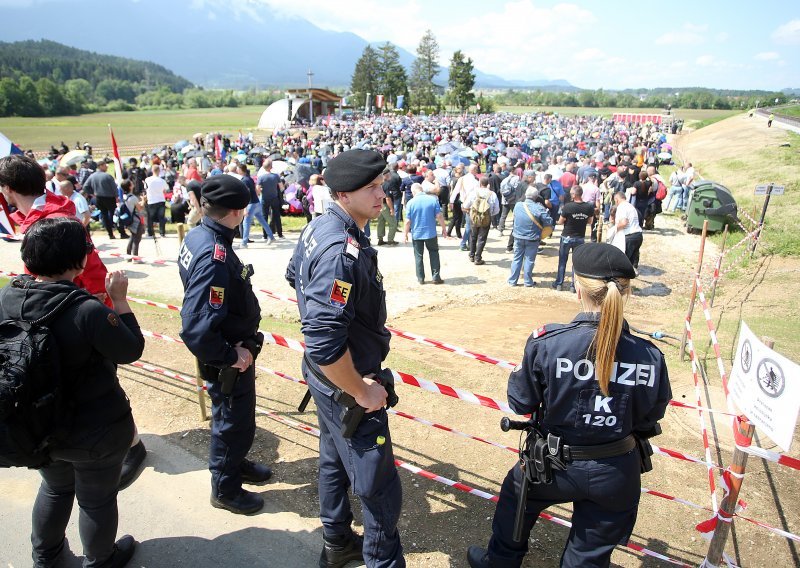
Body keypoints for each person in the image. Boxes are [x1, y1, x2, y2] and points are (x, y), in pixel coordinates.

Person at [467, 243, 672, 568]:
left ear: (579, 287)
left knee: (515, 496)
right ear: (626, 291)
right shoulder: (649, 355)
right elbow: (651, 417)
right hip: (617, 471)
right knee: (587, 559)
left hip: (552, 467)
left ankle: (501, 562)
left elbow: (521, 401)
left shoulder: (548, 342)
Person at [0, 217, 145, 568]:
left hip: (37, 423)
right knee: (96, 500)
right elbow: (129, 350)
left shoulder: (9, 296)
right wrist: (119, 302)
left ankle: (46, 557)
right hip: (94, 430)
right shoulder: (86, 310)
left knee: (55, 488)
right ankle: (100, 560)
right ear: (78, 260)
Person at [285, 149, 405, 568]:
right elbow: (322, 338)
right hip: (346, 383)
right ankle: (381, 561)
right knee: (378, 487)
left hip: (328, 378)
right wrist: (362, 389)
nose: (381, 193)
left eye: (381, 184)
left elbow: (293, 277)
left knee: (334, 460)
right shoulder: (340, 248)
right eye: (370, 187)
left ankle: (337, 543)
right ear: (343, 193)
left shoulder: (324, 226)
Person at [0, 154, 147, 487]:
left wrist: (96, 307)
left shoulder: (51, 218)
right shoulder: (50, 209)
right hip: (65, 310)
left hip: (69, 315)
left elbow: (88, 266)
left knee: (93, 385)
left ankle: (131, 445)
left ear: (8, 189)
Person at [178, 174, 273, 515]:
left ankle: (235, 464)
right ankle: (225, 488)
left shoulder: (201, 235)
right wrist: (231, 355)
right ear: (236, 211)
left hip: (231, 348)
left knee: (234, 417)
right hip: (227, 357)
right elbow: (197, 328)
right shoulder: (213, 255)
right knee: (232, 421)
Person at [507, 187, 552, 287]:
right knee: (529, 260)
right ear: (536, 197)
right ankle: (527, 281)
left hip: (518, 236)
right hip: (532, 238)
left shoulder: (518, 205)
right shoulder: (539, 208)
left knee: (516, 258)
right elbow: (548, 222)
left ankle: (512, 281)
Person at [553, 186, 595, 292]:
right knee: (576, 263)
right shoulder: (588, 207)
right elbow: (590, 221)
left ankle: (559, 283)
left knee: (562, 261)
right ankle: (573, 285)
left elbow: (561, 221)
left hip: (567, 236)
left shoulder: (568, 207)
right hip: (580, 237)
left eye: (571, 193)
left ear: (574, 195)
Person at [404, 182, 446, 285]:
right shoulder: (432, 200)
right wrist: (444, 228)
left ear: (414, 192)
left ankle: (420, 278)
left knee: (418, 256)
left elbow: (407, 221)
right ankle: (436, 276)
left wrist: (405, 234)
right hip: (431, 233)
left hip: (417, 234)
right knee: (434, 253)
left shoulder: (410, 203)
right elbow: (439, 216)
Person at [462, 176, 500, 265]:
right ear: (488, 185)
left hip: (474, 218)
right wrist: (490, 214)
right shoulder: (492, 194)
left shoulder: (474, 192)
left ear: (480, 183)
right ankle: (478, 258)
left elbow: (466, 205)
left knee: (473, 236)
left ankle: (471, 255)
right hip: (486, 218)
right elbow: (497, 209)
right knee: (482, 238)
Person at [82, 159, 121, 239]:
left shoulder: (92, 176)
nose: (106, 167)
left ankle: (110, 233)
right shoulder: (108, 176)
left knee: (104, 215)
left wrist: (92, 193)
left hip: (98, 198)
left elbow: (85, 186)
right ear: (100, 166)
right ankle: (114, 228)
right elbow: (114, 188)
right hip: (109, 198)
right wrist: (117, 196)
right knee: (111, 214)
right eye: (104, 165)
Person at [239, 163, 274, 248]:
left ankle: (244, 242)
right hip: (256, 202)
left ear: (241, 170)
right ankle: (271, 236)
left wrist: (244, 208)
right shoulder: (249, 178)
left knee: (246, 223)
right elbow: (254, 190)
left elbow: (246, 194)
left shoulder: (244, 180)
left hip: (250, 203)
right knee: (262, 221)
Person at [613, 191, 643, 270]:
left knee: (624, 260)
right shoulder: (631, 206)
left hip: (629, 236)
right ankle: (633, 270)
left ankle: (623, 276)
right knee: (633, 258)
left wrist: (614, 229)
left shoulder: (621, 207)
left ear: (616, 199)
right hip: (638, 235)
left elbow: (623, 223)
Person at [257, 159, 284, 238]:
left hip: (265, 198)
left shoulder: (261, 177)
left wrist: (261, 190)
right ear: (271, 167)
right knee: (277, 216)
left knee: (264, 216)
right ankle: (280, 234)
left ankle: (265, 235)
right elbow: (281, 187)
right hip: (274, 197)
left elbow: (258, 189)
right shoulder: (276, 176)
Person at [120, 179, 145, 262]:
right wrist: (144, 201)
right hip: (135, 221)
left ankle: (128, 256)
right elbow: (140, 208)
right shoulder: (133, 197)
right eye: (131, 183)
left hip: (128, 220)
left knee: (132, 237)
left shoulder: (124, 196)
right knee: (136, 240)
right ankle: (135, 258)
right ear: (130, 186)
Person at [144, 164, 168, 238]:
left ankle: (150, 232)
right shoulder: (162, 180)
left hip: (151, 200)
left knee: (150, 218)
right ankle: (162, 232)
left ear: (152, 170)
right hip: (161, 200)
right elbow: (165, 190)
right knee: (161, 217)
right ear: (159, 171)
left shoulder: (147, 180)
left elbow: (145, 188)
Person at [377, 170, 398, 245]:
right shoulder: (387, 184)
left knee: (381, 223)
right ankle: (390, 240)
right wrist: (392, 209)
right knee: (393, 223)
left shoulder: (380, 184)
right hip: (385, 205)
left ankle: (380, 239)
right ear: (387, 174)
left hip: (380, 205)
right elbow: (388, 198)